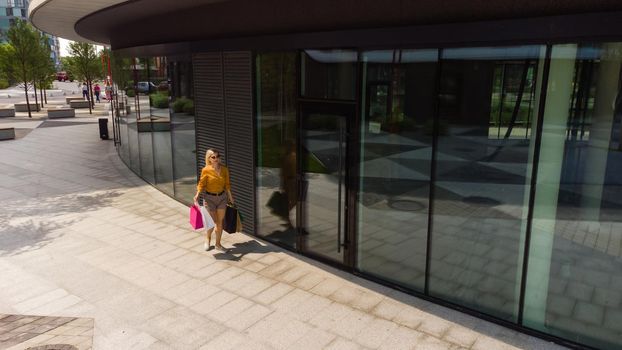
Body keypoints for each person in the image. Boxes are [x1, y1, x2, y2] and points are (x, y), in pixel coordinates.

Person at [194, 149, 235, 252]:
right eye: (213, 157)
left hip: (222, 198)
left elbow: (227, 185)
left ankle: (218, 244)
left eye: (217, 156)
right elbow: (201, 184)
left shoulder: (224, 169)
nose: (216, 159)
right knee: (211, 222)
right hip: (209, 199)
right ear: (209, 159)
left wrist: (231, 198)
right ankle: (207, 239)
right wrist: (197, 194)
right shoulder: (206, 170)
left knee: (219, 222)